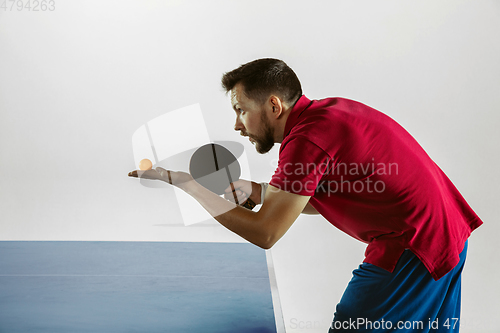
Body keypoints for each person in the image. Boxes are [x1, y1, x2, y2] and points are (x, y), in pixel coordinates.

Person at [128, 58, 482, 332]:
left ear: (273, 106)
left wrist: (188, 184)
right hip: (445, 235)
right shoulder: (327, 113)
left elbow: (265, 233)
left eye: (240, 110)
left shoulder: (307, 140)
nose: (237, 124)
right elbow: (334, 191)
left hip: (414, 248)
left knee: (353, 321)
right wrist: (266, 192)